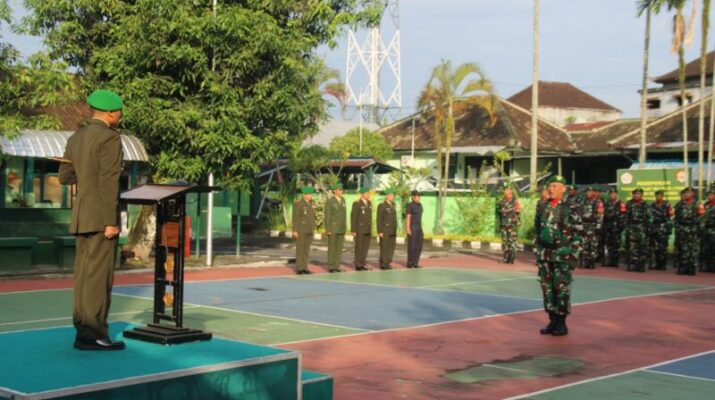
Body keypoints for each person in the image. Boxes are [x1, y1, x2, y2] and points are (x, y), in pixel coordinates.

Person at [59, 89, 125, 351]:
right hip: (100, 217)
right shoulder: (110, 138)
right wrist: (110, 220)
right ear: (109, 113)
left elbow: (64, 177)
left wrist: (85, 174)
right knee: (99, 277)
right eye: (119, 111)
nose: (120, 115)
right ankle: (95, 333)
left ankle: (82, 330)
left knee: (84, 276)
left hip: (81, 215)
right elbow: (109, 181)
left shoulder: (76, 137)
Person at [535, 175, 582, 337]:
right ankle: (552, 320)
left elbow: (579, 233)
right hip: (545, 255)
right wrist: (538, 250)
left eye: (555, 186)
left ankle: (561, 323)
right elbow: (538, 230)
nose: (550, 189)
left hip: (563, 255)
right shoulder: (542, 206)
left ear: (564, 188)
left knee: (561, 288)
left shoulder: (571, 207)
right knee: (547, 288)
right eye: (549, 186)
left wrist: (573, 255)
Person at [674, 187, 703, 275]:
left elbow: (702, 217)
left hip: (693, 229)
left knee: (693, 249)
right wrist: (678, 228)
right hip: (682, 229)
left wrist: (698, 228)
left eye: (689, 193)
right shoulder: (679, 204)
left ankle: (691, 267)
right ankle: (683, 267)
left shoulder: (698, 204)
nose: (687, 194)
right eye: (686, 193)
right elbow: (676, 218)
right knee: (682, 249)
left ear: (693, 194)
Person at [625, 188, 650, 272]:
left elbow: (649, 218)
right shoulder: (629, 204)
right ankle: (634, 264)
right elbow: (626, 217)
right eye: (635, 194)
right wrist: (627, 228)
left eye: (638, 194)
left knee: (642, 247)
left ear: (641, 195)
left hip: (642, 228)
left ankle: (641, 265)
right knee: (633, 247)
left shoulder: (645, 204)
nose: (636, 195)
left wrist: (648, 229)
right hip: (632, 228)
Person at [292, 186, 315, 275]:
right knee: (300, 249)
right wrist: (295, 230)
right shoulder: (298, 204)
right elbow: (295, 218)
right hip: (301, 229)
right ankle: (300, 268)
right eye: (309, 194)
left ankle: (305, 267)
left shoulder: (311, 204)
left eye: (311, 194)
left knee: (306, 250)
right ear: (304, 195)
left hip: (309, 229)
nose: (310, 196)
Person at [579, 186, 604, 269]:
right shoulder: (583, 201)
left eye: (590, 191)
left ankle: (592, 262)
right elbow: (579, 213)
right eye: (587, 192)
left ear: (593, 192)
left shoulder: (598, 202)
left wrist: (598, 226)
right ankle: (585, 262)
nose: (588, 193)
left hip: (593, 226)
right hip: (584, 225)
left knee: (592, 245)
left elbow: (600, 214)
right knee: (584, 244)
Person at [324, 183, 346, 273]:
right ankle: (331, 266)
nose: (341, 191)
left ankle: (337, 265)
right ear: (335, 191)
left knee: (339, 248)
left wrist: (344, 227)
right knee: (332, 248)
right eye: (339, 189)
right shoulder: (330, 201)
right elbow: (327, 216)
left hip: (341, 227)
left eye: (342, 189)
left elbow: (344, 215)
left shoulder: (343, 200)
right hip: (333, 228)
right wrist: (328, 229)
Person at [497, 183, 521, 264]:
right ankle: (506, 257)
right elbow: (500, 213)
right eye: (505, 190)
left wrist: (517, 223)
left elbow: (518, 212)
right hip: (504, 224)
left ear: (511, 191)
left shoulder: (515, 201)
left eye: (507, 190)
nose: (505, 191)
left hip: (512, 225)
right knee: (505, 241)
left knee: (512, 241)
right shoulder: (502, 201)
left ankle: (512, 257)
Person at [649, 190, 673, 270]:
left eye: (660, 195)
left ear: (662, 196)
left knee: (663, 247)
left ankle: (663, 264)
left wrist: (668, 227)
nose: (658, 196)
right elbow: (649, 216)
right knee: (655, 247)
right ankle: (656, 263)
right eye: (657, 195)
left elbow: (670, 215)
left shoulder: (667, 205)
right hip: (655, 227)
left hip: (663, 228)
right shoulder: (652, 205)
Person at [603, 189, 626, 267]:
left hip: (616, 227)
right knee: (609, 244)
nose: (612, 195)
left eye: (613, 193)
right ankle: (610, 260)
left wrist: (620, 227)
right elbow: (604, 215)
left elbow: (623, 216)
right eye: (611, 194)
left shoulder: (621, 203)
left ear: (616, 194)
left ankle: (615, 261)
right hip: (608, 227)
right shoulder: (607, 203)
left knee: (616, 245)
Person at [351, 187, 372, 271]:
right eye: (366, 193)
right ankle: (358, 264)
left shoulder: (369, 203)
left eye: (368, 193)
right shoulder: (357, 203)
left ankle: (363, 263)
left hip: (367, 228)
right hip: (359, 228)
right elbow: (353, 217)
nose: (368, 195)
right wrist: (353, 230)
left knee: (365, 247)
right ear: (362, 194)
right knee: (359, 247)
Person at [377, 188, 397, 270]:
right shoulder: (382, 205)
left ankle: (388, 262)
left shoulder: (393, 205)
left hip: (392, 229)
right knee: (384, 247)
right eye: (391, 195)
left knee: (391, 247)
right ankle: (383, 263)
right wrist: (380, 231)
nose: (392, 197)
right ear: (386, 196)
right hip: (385, 229)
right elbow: (379, 219)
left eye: (393, 195)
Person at [406, 190, 424, 268]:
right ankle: (410, 263)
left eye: (419, 196)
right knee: (412, 245)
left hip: (419, 227)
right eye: (417, 196)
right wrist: (408, 228)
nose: (418, 197)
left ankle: (415, 262)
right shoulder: (410, 205)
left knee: (419, 245)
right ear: (413, 197)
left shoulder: (420, 205)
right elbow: (408, 217)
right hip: (412, 227)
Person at [702, 190, 715, 272]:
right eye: (708, 195)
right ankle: (708, 266)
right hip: (706, 229)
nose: (709, 196)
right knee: (707, 248)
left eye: (711, 195)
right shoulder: (705, 205)